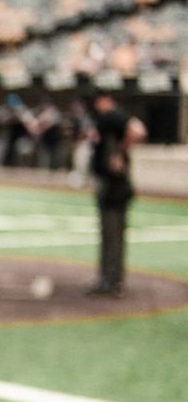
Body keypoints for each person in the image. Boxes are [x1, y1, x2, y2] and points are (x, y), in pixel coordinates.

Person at [85, 91, 146, 297]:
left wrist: (119, 153)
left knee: (112, 234)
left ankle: (110, 280)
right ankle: (111, 279)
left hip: (114, 186)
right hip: (115, 185)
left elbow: (137, 129)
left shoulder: (113, 117)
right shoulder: (108, 119)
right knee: (113, 234)